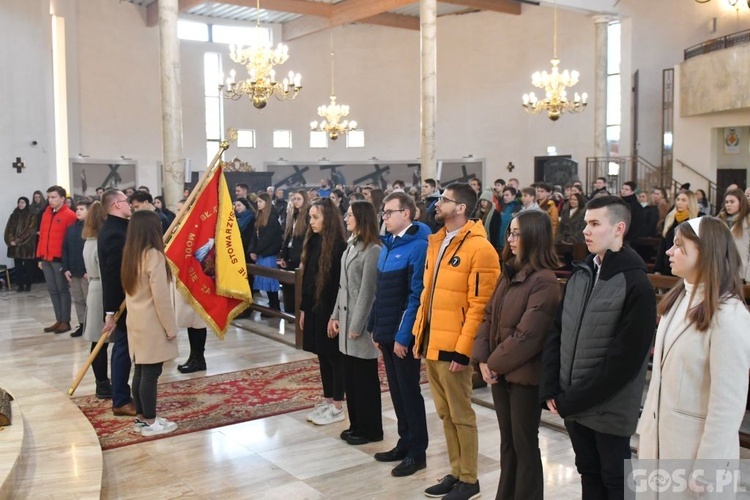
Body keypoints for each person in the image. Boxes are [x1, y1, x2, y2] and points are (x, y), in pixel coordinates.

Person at [540, 196, 656, 499]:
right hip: (574, 402)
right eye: (585, 224)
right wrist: (551, 387)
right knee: (588, 473)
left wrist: (572, 399)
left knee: (615, 481)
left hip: (609, 408)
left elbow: (625, 361)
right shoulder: (581, 274)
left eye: (594, 224)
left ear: (618, 228)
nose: (585, 232)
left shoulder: (636, 283)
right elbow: (557, 332)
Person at [638, 217, 750, 471]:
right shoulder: (677, 300)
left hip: (692, 453)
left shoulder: (729, 315)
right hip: (657, 442)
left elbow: (727, 403)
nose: (669, 250)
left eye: (678, 245)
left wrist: (708, 468)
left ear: (704, 250)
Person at [412, 183, 501, 500]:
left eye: (444, 200)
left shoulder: (480, 249)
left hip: (455, 348)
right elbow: (428, 294)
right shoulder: (438, 241)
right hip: (433, 341)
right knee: (445, 414)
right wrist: (419, 335)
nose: (437, 204)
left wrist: (464, 352)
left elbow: (480, 307)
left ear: (461, 208)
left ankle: (470, 479)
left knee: (462, 415)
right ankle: (455, 471)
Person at [472, 210, 562, 500]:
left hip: (524, 377)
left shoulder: (545, 281)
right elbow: (489, 316)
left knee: (524, 444)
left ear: (534, 237)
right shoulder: (509, 270)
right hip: (500, 372)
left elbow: (528, 336)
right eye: (509, 232)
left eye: (516, 233)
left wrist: (493, 363)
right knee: (507, 443)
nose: (509, 239)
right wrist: (483, 359)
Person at [370, 192, 431, 477]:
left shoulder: (418, 246)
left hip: (402, 336)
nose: (384, 216)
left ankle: (418, 452)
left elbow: (415, 296)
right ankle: (404, 443)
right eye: (383, 212)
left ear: (406, 213)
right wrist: (375, 326)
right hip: (386, 331)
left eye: (389, 212)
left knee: (409, 392)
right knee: (396, 392)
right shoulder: (389, 244)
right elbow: (380, 292)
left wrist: (403, 336)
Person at [121, 210, 179, 436]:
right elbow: (161, 298)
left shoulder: (131, 253)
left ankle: (142, 419)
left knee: (141, 370)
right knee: (151, 373)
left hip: (135, 319)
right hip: (152, 321)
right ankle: (151, 422)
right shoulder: (153, 255)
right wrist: (170, 327)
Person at [329, 201, 382, 445]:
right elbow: (343, 288)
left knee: (365, 381)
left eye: (350, 214)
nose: (346, 218)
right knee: (350, 378)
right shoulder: (350, 246)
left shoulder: (372, 250)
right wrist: (335, 316)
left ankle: (371, 429)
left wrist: (356, 326)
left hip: (360, 326)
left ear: (361, 218)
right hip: (346, 323)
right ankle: (356, 424)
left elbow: (367, 293)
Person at [301, 198, 347, 426]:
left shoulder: (339, 245)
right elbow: (308, 278)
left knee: (334, 357)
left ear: (327, 218)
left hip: (330, 310)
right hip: (314, 308)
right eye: (310, 217)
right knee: (321, 354)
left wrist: (335, 316)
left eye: (315, 217)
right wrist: (303, 309)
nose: (311, 222)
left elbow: (339, 284)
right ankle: (328, 399)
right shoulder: (314, 241)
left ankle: (338, 404)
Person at [100, 189, 136, 417]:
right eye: (126, 201)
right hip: (123, 301)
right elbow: (113, 275)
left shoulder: (120, 228)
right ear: (115, 205)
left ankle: (123, 394)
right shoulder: (115, 233)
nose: (130, 204)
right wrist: (111, 311)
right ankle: (121, 399)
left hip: (126, 299)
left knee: (124, 348)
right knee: (122, 349)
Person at [173, 199, 209, 374]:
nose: (178, 213)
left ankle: (199, 358)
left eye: (182, 210)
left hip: (195, 281)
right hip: (182, 280)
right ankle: (193, 356)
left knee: (197, 321)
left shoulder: (197, 231)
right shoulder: (178, 229)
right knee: (189, 321)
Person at [80, 201, 112, 398]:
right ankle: (102, 384)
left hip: (94, 286)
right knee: (100, 341)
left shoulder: (89, 240)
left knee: (98, 340)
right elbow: (105, 271)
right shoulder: (100, 242)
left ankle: (101, 382)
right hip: (102, 290)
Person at [36, 185, 77, 334]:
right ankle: (58, 319)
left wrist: (67, 263)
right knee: (52, 290)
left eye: (53, 197)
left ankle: (65, 321)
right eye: (49, 197)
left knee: (62, 290)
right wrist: (40, 257)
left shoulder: (69, 215)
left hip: (59, 259)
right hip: (46, 257)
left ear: (62, 199)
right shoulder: (46, 214)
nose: (50, 200)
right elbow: (42, 237)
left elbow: (71, 241)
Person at [248, 193, 282, 311]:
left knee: (270, 282)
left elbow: (268, 238)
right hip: (261, 253)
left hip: (268, 253)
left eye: (261, 201)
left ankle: (275, 306)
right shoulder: (259, 217)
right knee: (265, 282)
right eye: (257, 201)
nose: (258, 204)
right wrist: (252, 250)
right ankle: (271, 305)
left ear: (267, 203)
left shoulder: (272, 218)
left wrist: (256, 251)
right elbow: (254, 236)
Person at [61, 200, 90, 338]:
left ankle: (92, 325)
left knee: (89, 300)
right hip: (73, 270)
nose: (78, 211)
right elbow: (65, 249)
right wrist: (66, 268)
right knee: (78, 300)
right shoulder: (71, 229)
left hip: (86, 272)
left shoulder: (93, 229)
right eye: (77, 208)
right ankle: (82, 324)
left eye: (82, 209)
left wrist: (90, 269)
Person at [654, 190, 699, 276]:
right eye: (678, 199)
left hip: (686, 268)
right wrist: (657, 268)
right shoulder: (671, 218)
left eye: (683, 200)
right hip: (668, 266)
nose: (679, 202)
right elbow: (662, 246)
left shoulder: (696, 221)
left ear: (691, 202)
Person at [279, 190, 308, 314]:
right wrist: (283, 257)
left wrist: (303, 258)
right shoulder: (293, 215)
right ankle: (289, 312)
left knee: (299, 287)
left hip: (300, 256)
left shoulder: (308, 217)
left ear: (305, 200)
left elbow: (307, 240)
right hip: (290, 255)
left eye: (299, 199)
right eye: (294, 199)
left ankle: (298, 312)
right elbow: (287, 237)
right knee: (288, 285)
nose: (296, 201)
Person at [717, 188, 750, 283]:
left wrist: (748, 279)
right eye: (726, 202)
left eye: (732, 202)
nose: (728, 205)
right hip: (721, 272)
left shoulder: (747, 222)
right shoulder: (719, 221)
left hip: (740, 274)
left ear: (741, 203)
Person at [4, 196, 36, 292]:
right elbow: (8, 229)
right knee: (18, 267)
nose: (20, 204)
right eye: (19, 202)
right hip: (15, 247)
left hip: (26, 246)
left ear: (26, 204)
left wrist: (18, 241)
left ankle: (28, 284)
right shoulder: (13, 215)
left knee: (28, 267)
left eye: (23, 202)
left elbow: (30, 231)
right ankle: (20, 285)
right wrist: (11, 240)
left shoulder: (31, 215)